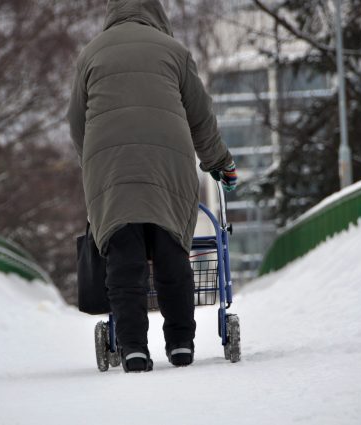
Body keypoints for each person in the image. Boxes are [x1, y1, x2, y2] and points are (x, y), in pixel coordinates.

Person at [68, 0, 237, 372]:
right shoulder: (174, 51)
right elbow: (200, 117)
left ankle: (132, 349)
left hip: (109, 168)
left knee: (124, 261)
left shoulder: (91, 53)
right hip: (168, 165)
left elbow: (77, 123)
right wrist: (220, 164)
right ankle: (180, 344)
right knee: (171, 252)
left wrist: (92, 162)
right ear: (157, 13)